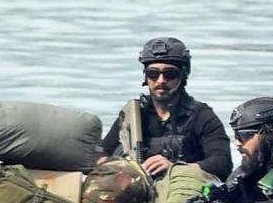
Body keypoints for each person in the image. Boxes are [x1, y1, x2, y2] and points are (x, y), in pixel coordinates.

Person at [100, 37, 233, 180]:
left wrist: (175, 168)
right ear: (146, 76)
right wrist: (121, 168)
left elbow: (222, 163)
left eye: (169, 74)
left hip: (183, 190)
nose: (160, 81)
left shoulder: (201, 116)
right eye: (153, 74)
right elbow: (101, 154)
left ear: (183, 75)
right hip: (138, 190)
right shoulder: (133, 115)